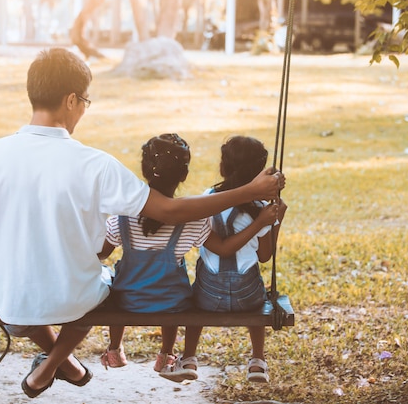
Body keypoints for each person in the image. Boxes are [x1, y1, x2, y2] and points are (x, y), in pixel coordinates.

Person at [0, 48, 283, 399]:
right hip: (72, 301)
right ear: (71, 100)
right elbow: (168, 211)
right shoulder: (94, 164)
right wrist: (248, 190)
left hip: (9, 300)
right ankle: (59, 364)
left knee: (35, 300)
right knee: (104, 288)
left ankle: (67, 366)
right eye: (85, 103)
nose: (83, 110)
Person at [97, 133, 279, 381]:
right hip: (172, 303)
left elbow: (101, 253)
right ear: (183, 175)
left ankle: (116, 348)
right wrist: (265, 221)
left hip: (128, 301)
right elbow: (232, 249)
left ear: (145, 170)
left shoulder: (123, 218)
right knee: (174, 290)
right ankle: (167, 354)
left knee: (115, 282)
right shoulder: (192, 221)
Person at [159, 136, 287, 384]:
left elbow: (215, 246)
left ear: (224, 167)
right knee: (258, 289)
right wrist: (275, 221)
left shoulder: (207, 198)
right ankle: (258, 361)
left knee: (194, 295)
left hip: (207, 298)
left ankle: (188, 357)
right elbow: (264, 256)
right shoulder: (261, 207)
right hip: (247, 298)